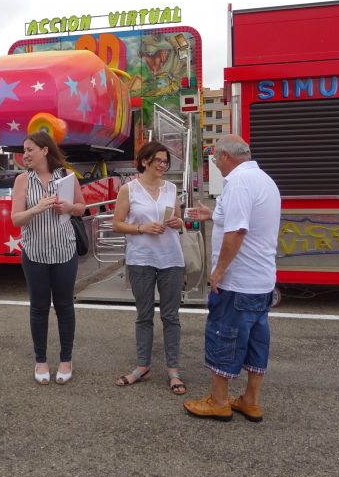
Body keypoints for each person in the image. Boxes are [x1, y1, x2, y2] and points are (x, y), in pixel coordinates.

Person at [183, 134, 281, 422]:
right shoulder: (264, 180)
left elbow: (238, 232)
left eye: (214, 159)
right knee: (256, 341)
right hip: (261, 280)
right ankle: (251, 400)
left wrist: (218, 272)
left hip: (239, 282)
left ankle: (219, 400)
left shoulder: (238, 183)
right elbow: (244, 220)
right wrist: (214, 215)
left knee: (224, 336)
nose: (215, 164)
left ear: (226, 156)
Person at [10, 131, 86, 385]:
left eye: (30, 149)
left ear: (45, 150)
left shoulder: (66, 176)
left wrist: (69, 208)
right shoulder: (22, 180)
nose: (25, 154)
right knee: (39, 307)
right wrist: (36, 208)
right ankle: (40, 360)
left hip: (64, 251)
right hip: (34, 253)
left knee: (64, 306)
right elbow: (15, 219)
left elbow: (82, 207)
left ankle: (66, 359)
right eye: (24, 150)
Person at [112, 141, 186, 395]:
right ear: (145, 161)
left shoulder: (171, 188)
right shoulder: (129, 189)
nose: (163, 165)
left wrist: (178, 221)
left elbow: (177, 222)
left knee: (171, 316)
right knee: (144, 315)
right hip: (141, 258)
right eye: (159, 161)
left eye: (166, 162)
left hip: (171, 258)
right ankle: (142, 366)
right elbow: (117, 224)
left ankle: (173, 370)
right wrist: (141, 228)